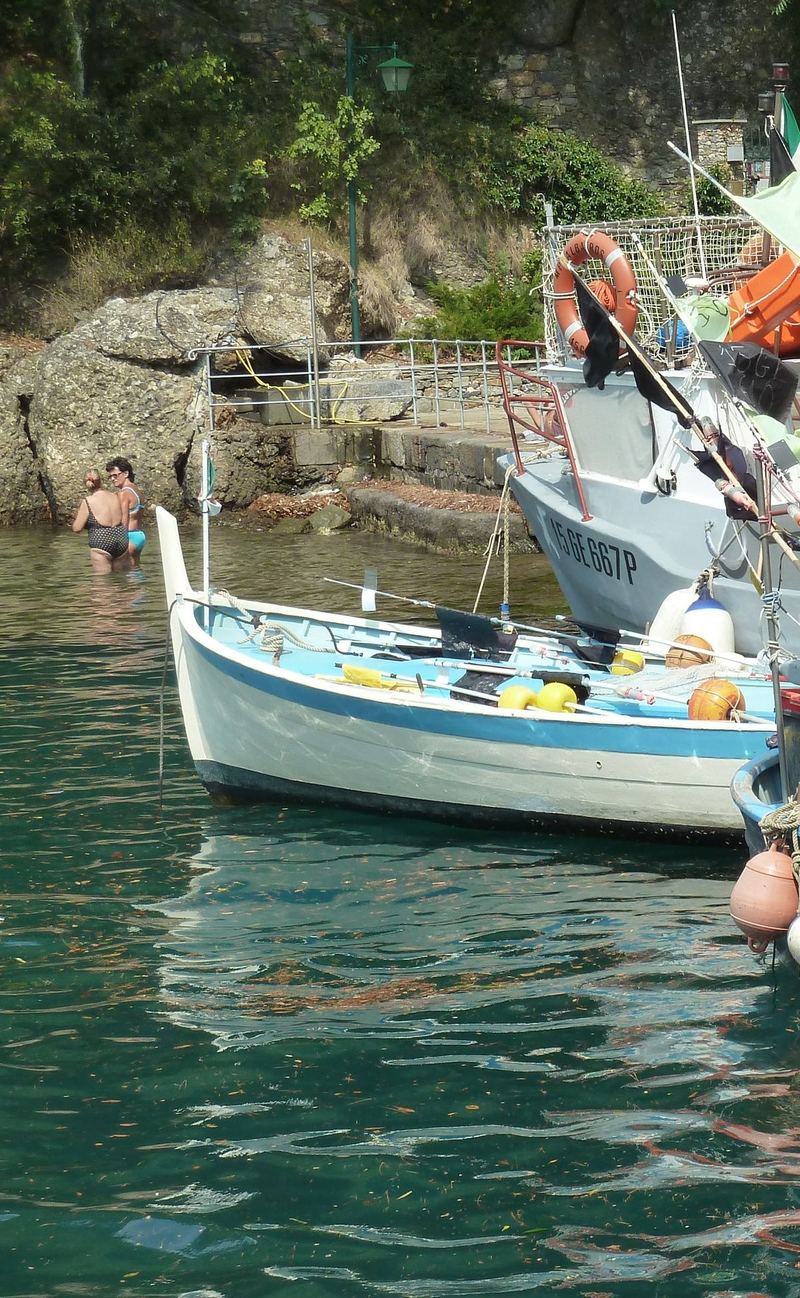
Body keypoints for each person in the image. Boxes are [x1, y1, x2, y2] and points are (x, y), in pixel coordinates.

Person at [71, 470, 131, 572]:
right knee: (121, 581)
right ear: (101, 481)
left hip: (101, 542)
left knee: (102, 583)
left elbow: (77, 528)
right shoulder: (115, 496)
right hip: (121, 539)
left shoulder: (88, 501)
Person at [106, 457, 146, 566]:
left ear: (126, 473)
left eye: (116, 475)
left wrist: (118, 540)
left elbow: (124, 520)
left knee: (120, 572)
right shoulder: (137, 490)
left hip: (129, 536)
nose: (113, 479)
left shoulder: (124, 493)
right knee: (135, 569)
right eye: (110, 477)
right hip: (139, 535)